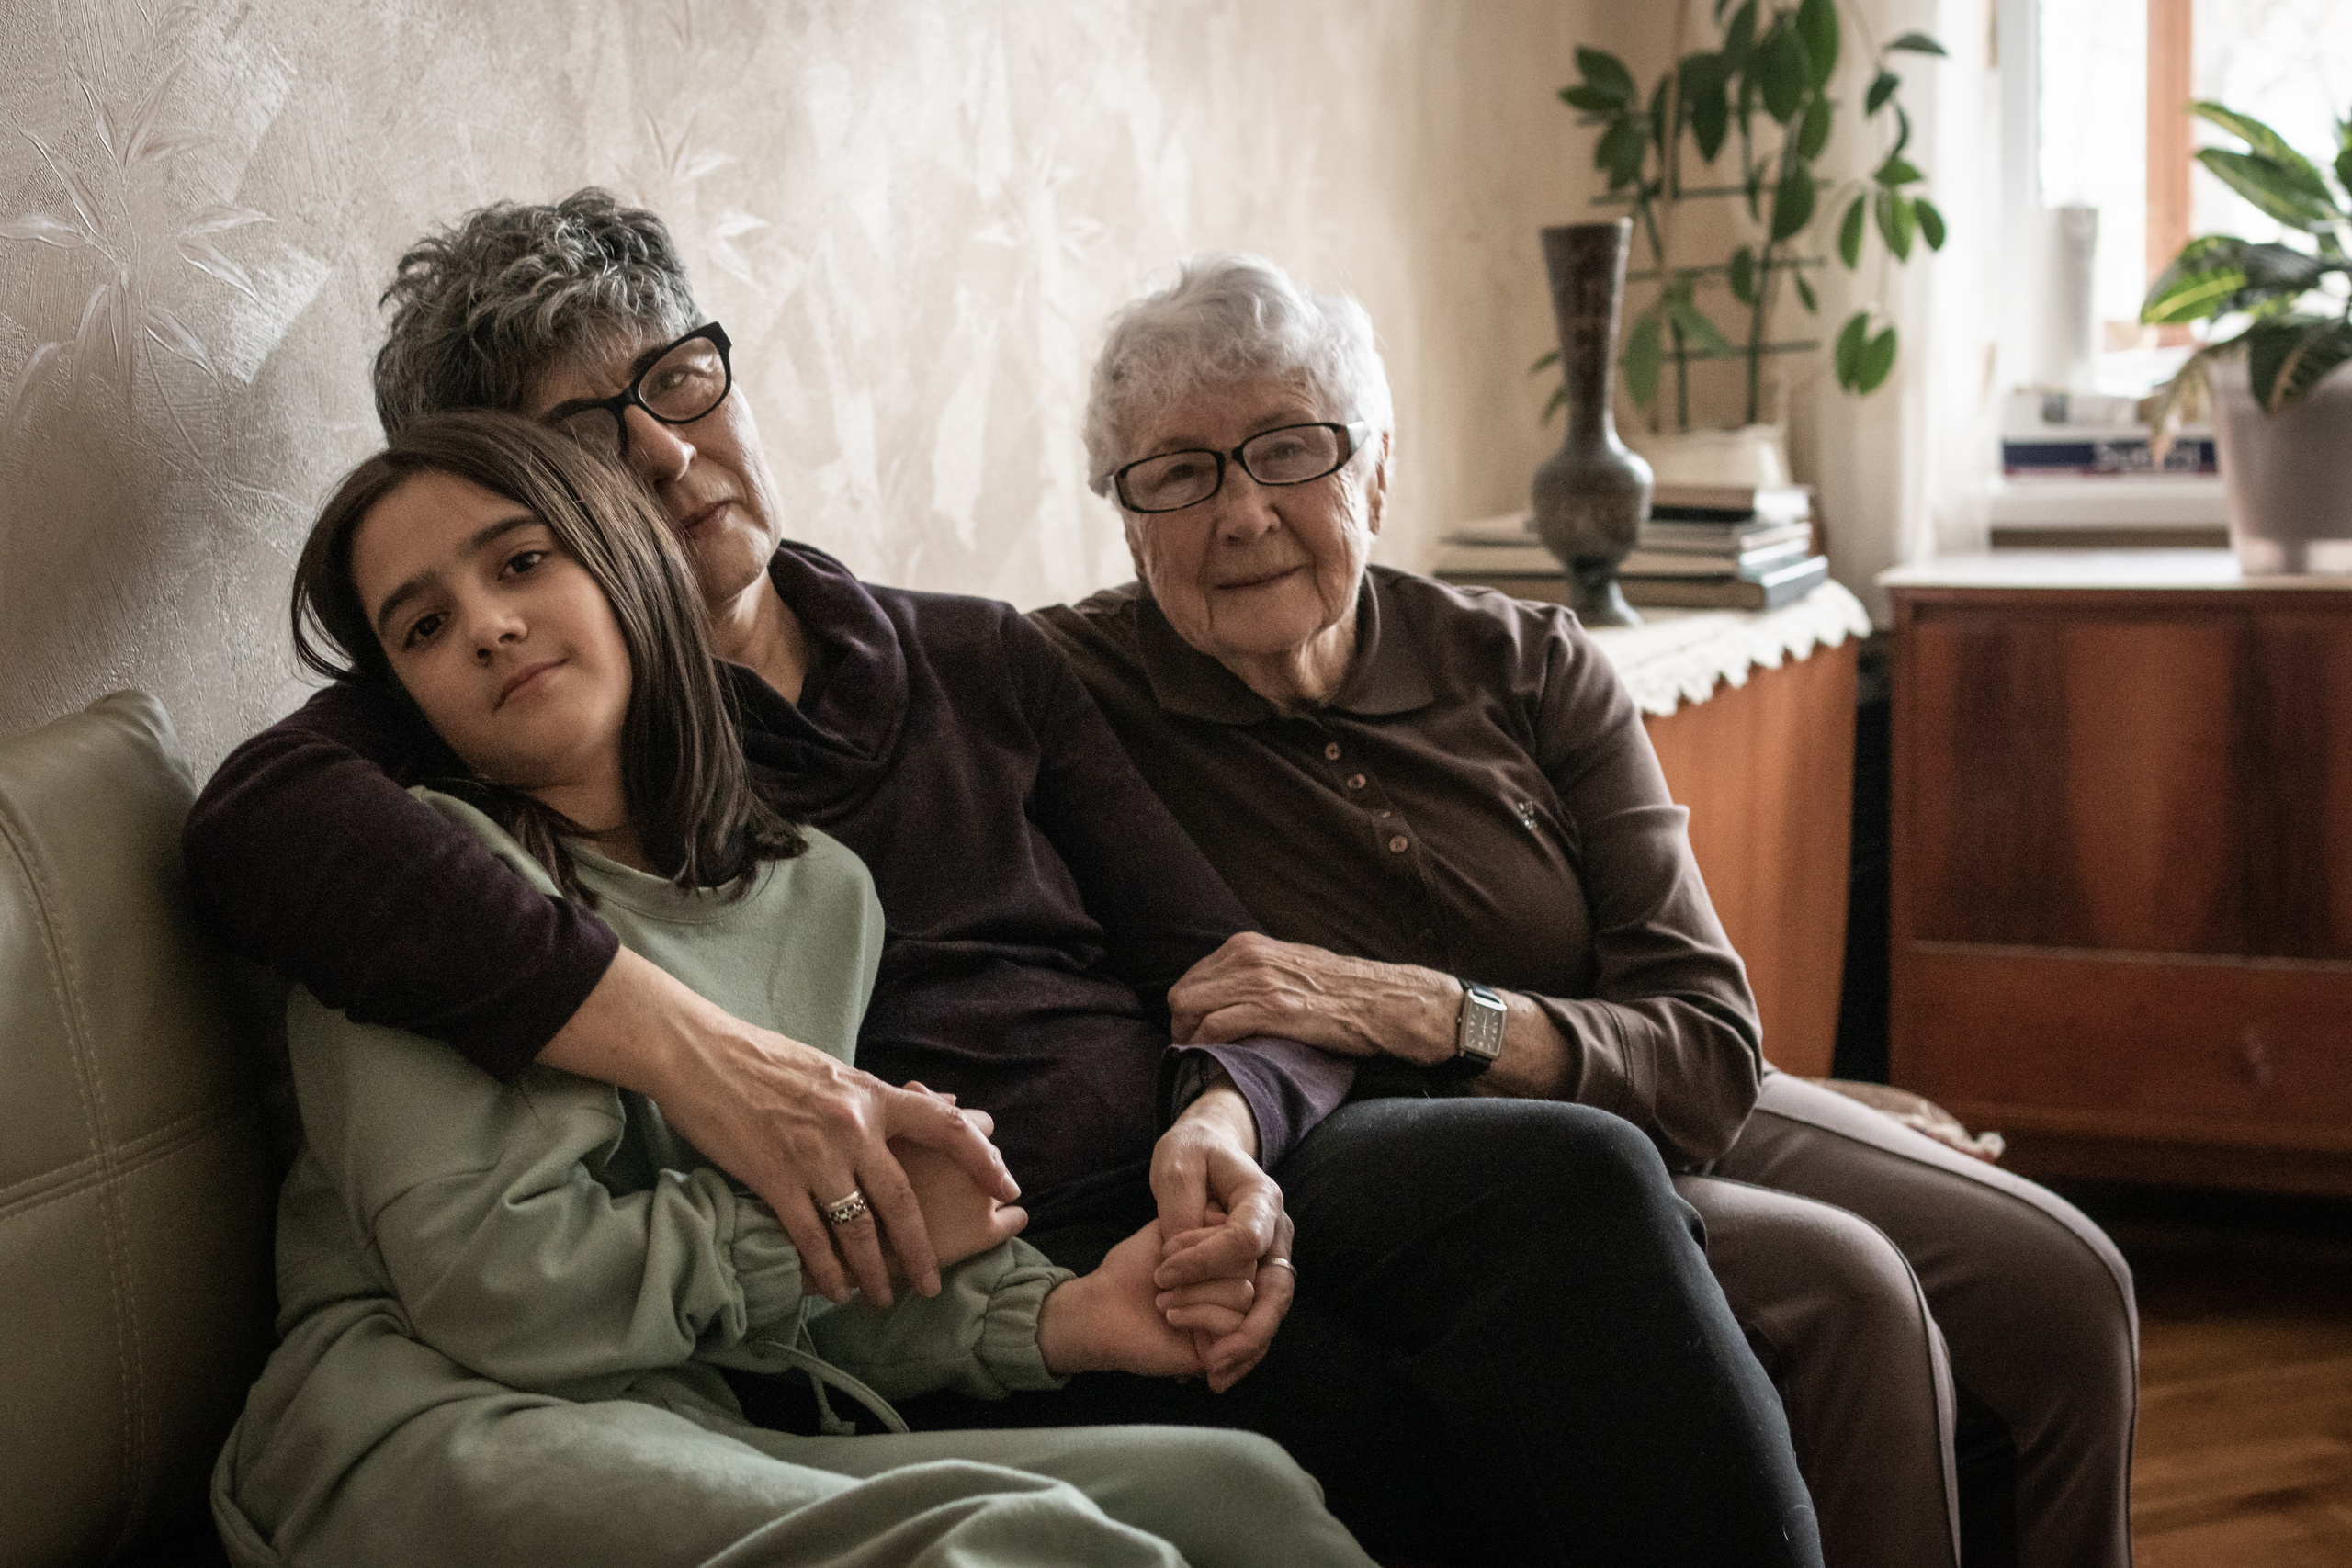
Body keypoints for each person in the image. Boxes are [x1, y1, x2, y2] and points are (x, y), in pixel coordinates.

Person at [185, 191, 1825, 1566]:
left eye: (681, 383)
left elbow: (1228, 969)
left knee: (1578, 1183)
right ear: (512, 503)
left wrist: (1220, 1125)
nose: (676, 461)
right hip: (962, 1268)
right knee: (1349, 1418)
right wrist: (697, 1055)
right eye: (582, 445)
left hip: (1180, 1168)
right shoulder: (536, 708)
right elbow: (255, 817)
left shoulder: (978, 654)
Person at [1034, 250, 2143, 1568]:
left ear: (1375, 469)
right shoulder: (1070, 693)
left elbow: (1709, 1042)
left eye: (1290, 449)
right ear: (1127, 515)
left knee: (2071, 1287)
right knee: (1848, 1292)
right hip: (1477, 1168)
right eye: (1178, 472)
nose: (1241, 512)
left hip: (1668, 1091)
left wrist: (1427, 1005)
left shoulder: (1529, 660)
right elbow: (853, 665)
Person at [212, 408, 1376, 1568]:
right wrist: (841, 1215)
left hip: (701, 1415)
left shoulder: (816, 892)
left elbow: (815, 1271)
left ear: (626, 561)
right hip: (436, 1425)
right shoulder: (408, 896)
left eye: (522, 562)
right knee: (1011, 1546)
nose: (489, 626)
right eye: (423, 627)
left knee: (1248, 1495)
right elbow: (499, 1294)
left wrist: (1059, 1318)